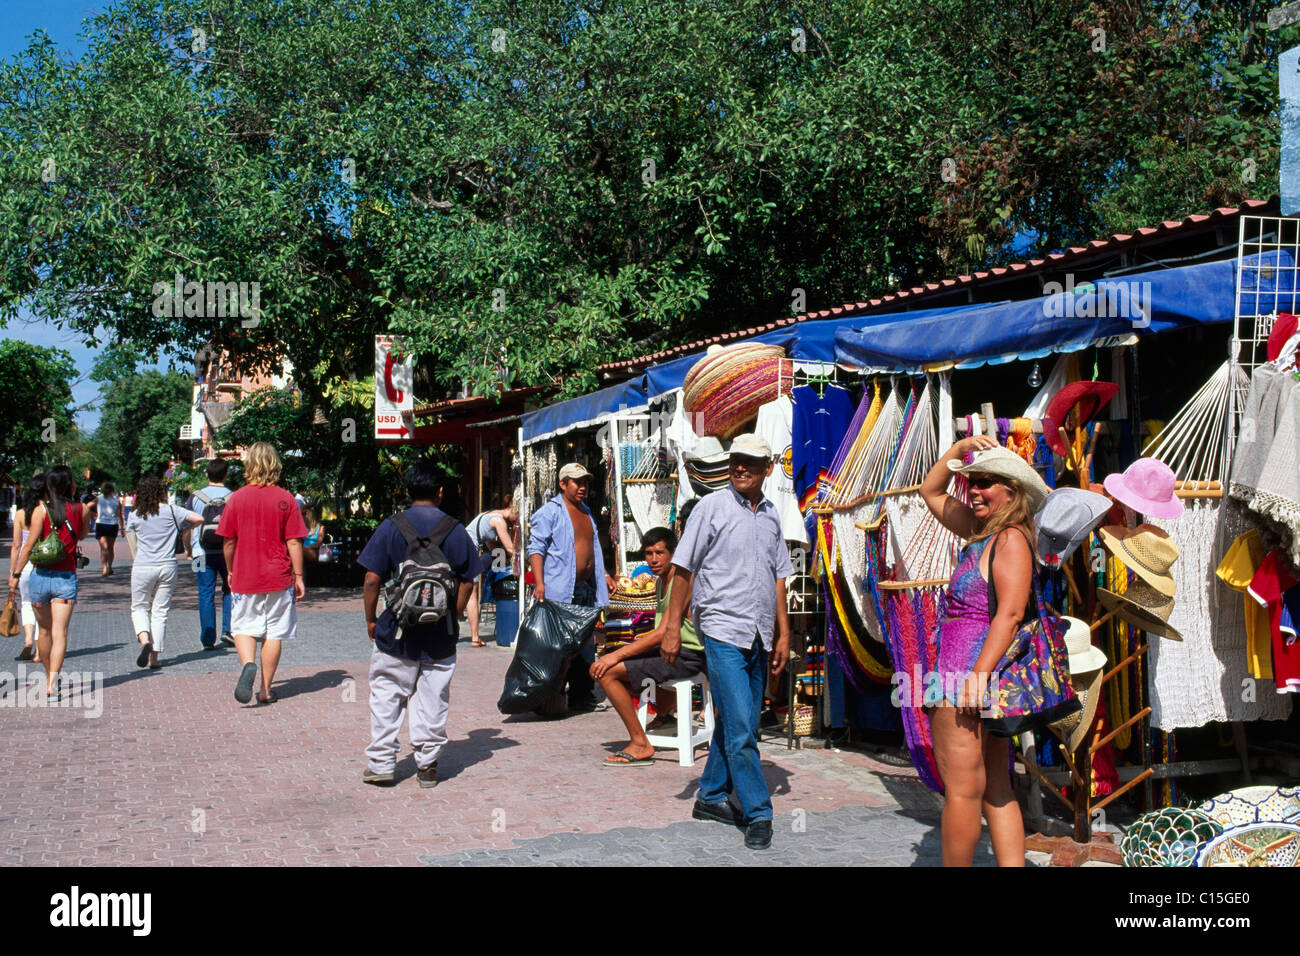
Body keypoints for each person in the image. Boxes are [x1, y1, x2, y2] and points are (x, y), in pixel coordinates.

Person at [918, 437, 1060, 867]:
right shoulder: (984, 532)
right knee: (996, 786)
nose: (974, 492)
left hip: (966, 676)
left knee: (963, 791)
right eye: (971, 483)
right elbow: (931, 491)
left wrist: (976, 677)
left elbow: (1011, 614)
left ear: (1012, 492)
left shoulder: (1010, 539)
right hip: (974, 676)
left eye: (985, 484)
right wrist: (959, 448)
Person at [662, 434, 792, 851]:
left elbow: (779, 576)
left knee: (742, 722)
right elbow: (682, 567)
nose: (740, 468)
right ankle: (758, 812)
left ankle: (711, 796)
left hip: (759, 632)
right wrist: (671, 625)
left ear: (767, 468)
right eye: (736, 460)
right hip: (720, 629)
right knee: (741, 727)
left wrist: (784, 633)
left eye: (750, 462)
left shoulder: (772, 516)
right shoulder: (710, 508)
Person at [357, 459, 480, 788]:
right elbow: (469, 580)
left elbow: (372, 579)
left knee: (387, 695)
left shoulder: (390, 527)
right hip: (440, 634)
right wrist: (451, 615)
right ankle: (427, 766)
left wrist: (371, 620)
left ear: (407, 492)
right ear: (441, 492)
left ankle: (382, 764)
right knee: (432, 697)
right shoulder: (455, 529)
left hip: (396, 631)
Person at [591, 526, 706, 767]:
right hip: (670, 651)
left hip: (687, 654)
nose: (653, 559)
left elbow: (663, 632)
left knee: (608, 673)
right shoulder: (661, 582)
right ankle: (665, 715)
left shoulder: (682, 579)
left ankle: (640, 743)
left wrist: (612, 658)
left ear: (673, 553)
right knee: (613, 661)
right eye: (649, 553)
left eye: (660, 553)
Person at [215, 442, 308, 705]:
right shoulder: (286, 499)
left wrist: (231, 570)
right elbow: (293, 542)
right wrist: (298, 576)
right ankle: (266, 689)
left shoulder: (236, 499)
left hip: (246, 574)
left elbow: (229, 542)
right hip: (278, 575)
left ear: (249, 465)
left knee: (243, 627)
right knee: (274, 632)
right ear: (275, 464)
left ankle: (248, 664)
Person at [526, 463, 617, 712]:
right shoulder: (550, 512)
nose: (583, 487)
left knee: (585, 643)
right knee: (560, 645)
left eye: (586, 482)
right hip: (561, 590)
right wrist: (540, 583)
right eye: (577, 482)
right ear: (562, 484)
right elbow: (535, 548)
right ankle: (550, 696)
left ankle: (581, 695)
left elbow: (593, 548)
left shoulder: (586, 511)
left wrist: (605, 575)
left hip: (585, 588)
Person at [7, 466, 96, 697]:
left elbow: (27, 547)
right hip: (65, 579)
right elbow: (83, 535)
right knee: (60, 633)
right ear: (70, 485)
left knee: (44, 632)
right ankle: (52, 682)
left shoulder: (40, 510)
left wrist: (15, 575)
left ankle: (48, 675)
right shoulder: (82, 509)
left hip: (39, 577)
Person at [126, 476, 203, 669]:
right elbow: (199, 518)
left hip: (143, 565)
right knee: (160, 611)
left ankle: (144, 640)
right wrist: (186, 528)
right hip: (167, 566)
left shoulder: (135, 514)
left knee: (139, 607)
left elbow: (130, 537)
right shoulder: (171, 510)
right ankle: (154, 659)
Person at [184, 459, 234, 650]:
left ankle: (207, 638)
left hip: (200, 552)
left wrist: (188, 549)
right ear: (226, 474)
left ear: (207, 474)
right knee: (230, 589)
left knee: (205, 592)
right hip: (227, 551)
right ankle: (227, 630)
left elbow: (187, 526)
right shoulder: (234, 496)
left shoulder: (195, 497)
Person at [465, 493, 518, 647]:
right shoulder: (499, 521)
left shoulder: (489, 514)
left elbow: (490, 544)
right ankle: (475, 638)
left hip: (465, 546)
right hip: (468, 549)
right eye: (518, 515)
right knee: (471, 593)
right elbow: (509, 547)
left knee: (466, 590)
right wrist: (524, 558)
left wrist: (502, 561)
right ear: (512, 509)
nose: (517, 520)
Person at [9, 475, 46, 663]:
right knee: (42, 606)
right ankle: (40, 651)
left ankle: (28, 640)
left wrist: (12, 572)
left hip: (23, 566)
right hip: (42, 564)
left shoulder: (21, 514)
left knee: (26, 604)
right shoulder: (47, 512)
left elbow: (16, 546)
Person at [94, 481, 124, 576]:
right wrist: (122, 528)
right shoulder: (115, 500)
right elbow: (119, 515)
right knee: (109, 548)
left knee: (104, 548)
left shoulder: (98, 499)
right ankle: (108, 567)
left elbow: (91, 508)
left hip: (102, 524)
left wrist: (93, 515)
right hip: (112, 524)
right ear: (112, 490)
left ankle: (105, 568)